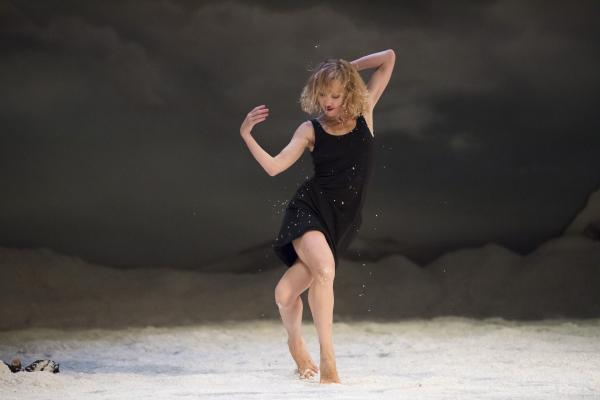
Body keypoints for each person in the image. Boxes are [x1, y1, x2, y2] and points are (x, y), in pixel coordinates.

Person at [240, 49, 395, 384]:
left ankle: (294, 341)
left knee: (285, 295)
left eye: (335, 95)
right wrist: (246, 136)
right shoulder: (310, 130)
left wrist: (348, 69)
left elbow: (389, 58)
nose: (328, 102)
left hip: (342, 221)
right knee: (324, 270)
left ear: (349, 92)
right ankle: (328, 362)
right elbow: (275, 167)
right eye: (323, 94)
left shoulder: (365, 112)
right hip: (309, 210)